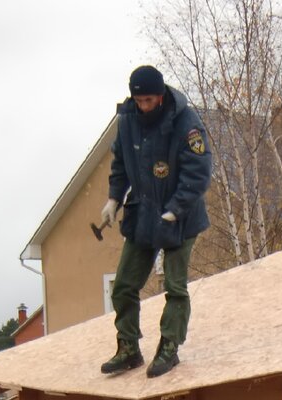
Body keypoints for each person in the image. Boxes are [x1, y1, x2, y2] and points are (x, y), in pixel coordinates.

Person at [99, 64, 213, 379]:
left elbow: (199, 170)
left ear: (160, 96)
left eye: (149, 100)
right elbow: (120, 163)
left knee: (175, 286)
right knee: (123, 285)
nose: (144, 106)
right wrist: (113, 198)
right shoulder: (127, 121)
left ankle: (169, 347)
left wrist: (176, 207)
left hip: (181, 216)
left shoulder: (185, 122)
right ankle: (128, 348)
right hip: (143, 213)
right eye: (140, 101)